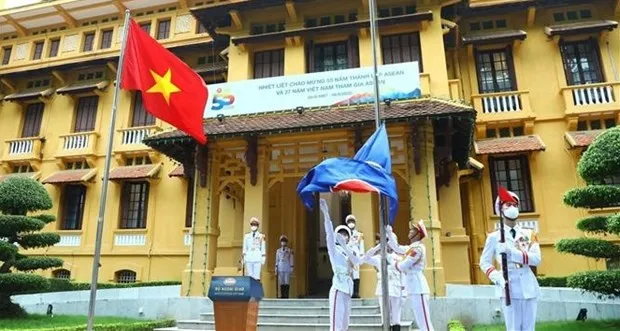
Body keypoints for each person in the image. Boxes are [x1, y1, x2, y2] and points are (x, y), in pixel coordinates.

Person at [480, 187, 541, 331]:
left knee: (529, 328)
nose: (512, 207)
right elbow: (484, 262)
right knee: (513, 328)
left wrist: (511, 252)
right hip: (508, 285)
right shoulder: (494, 237)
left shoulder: (529, 233)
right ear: (500, 209)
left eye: (515, 205)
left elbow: (536, 259)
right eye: (508, 205)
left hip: (528, 285)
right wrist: (498, 278)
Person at [319, 198, 360, 331]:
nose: (343, 236)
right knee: (336, 325)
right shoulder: (334, 249)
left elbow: (356, 262)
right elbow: (329, 234)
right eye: (340, 234)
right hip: (338, 287)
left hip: (348, 288)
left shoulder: (351, 250)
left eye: (345, 234)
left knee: (344, 325)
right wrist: (326, 213)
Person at [387, 221, 434, 331]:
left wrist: (392, 262)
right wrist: (389, 233)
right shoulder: (412, 247)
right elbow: (397, 248)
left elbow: (403, 266)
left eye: (412, 230)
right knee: (421, 321)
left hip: (419, 288)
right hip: (413, 288)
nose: (410, 231)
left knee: (425, 323)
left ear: (418, 234)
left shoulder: (417, 249)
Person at [361, 233, 403, 331]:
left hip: (396, 288)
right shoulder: (378, 258)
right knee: (384, 316)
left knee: (396, 316)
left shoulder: (399, 257)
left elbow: (403, 274)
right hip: (383, 289)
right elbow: (364, 258)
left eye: (389, 241)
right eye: (385, 241)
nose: (387, 243)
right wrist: (377, 248)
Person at [346, 214, 365, 298]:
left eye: (352, 221)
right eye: (349, 221)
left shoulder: (359, 234)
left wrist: (361, 254)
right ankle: (348, 291)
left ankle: (356, 292)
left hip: (356, 255)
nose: (351, 223)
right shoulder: (344, 233)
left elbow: (361, 245)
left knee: (356, 274)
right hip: (347, 255)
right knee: (347, 273)